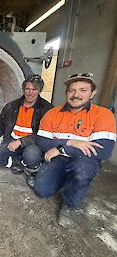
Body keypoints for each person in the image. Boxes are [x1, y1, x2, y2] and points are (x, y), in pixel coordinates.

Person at [34, 73, 116, 229]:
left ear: (93, 93)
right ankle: (67, 179)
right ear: (67, 93)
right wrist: (73, 142)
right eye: (72, 90)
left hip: (84, 160)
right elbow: (42, 141)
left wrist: (62, 148)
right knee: (41, 190)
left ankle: (70, 203)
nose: (76, 94)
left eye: (83, 90)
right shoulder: (52, 114)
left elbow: (104, 150)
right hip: (58, 158)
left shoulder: (103, 114)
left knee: (81, 171)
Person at [0, 74, 53, 187]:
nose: (30, 92)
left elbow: (44, 135)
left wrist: (21, 141)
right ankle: (18, 161)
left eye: (34, 89)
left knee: (32, 155)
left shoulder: (46, 109)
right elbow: (1, 126)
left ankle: (32, 171)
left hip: (33, 143)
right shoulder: (11, 106)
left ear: (39, 90)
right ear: (23, 89)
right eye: (28, 89)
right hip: (12, 139)